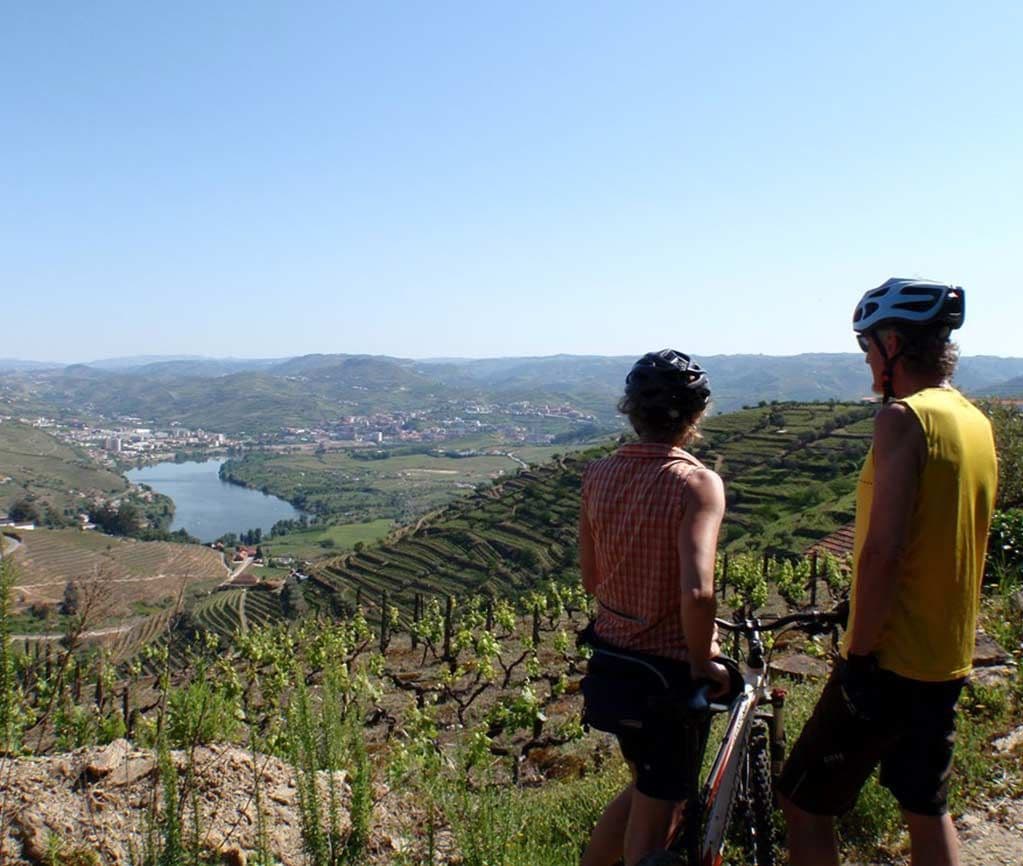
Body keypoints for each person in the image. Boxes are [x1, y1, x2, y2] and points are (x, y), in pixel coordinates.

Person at [778, 279, 998, 866]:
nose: (867, 359)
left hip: (889, 659)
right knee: (926, 807)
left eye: (866, 346)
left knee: (804, 802)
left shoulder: (902, 419)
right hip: (945, 653)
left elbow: (883, 552)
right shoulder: (974, 420)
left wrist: (859, 656)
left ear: (894, 343)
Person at [578, 349, 732, 866]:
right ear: (696, 416)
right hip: (666, 675)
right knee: (657, 820)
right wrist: (702, 661)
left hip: (612, 665)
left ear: (630, 410)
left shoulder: (596, 475)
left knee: (646, 785)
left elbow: (590, 578)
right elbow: (698, 591)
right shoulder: (697, 483)